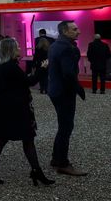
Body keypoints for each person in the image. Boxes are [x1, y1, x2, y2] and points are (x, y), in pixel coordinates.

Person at [0, 38, 54, 186]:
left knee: (2, 139)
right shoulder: (10, 67)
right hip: (16, 109)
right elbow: (30, 81)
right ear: (11, 50)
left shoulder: (0, 65)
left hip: (4, 108)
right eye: (18, 47)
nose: (20, 49)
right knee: (26, 139)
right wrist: (43, 68)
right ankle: (36, 172)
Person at [48, 20, 87, 176]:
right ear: (65, 31)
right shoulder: (67, 48)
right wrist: (79, 89)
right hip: (64, 92)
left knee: (63, 126)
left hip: (56, 91)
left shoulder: (55, 45)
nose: (78, 31)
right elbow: (69, 73)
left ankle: (57, 159)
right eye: (75, 29)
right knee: (66, 127)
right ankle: (62, 163)